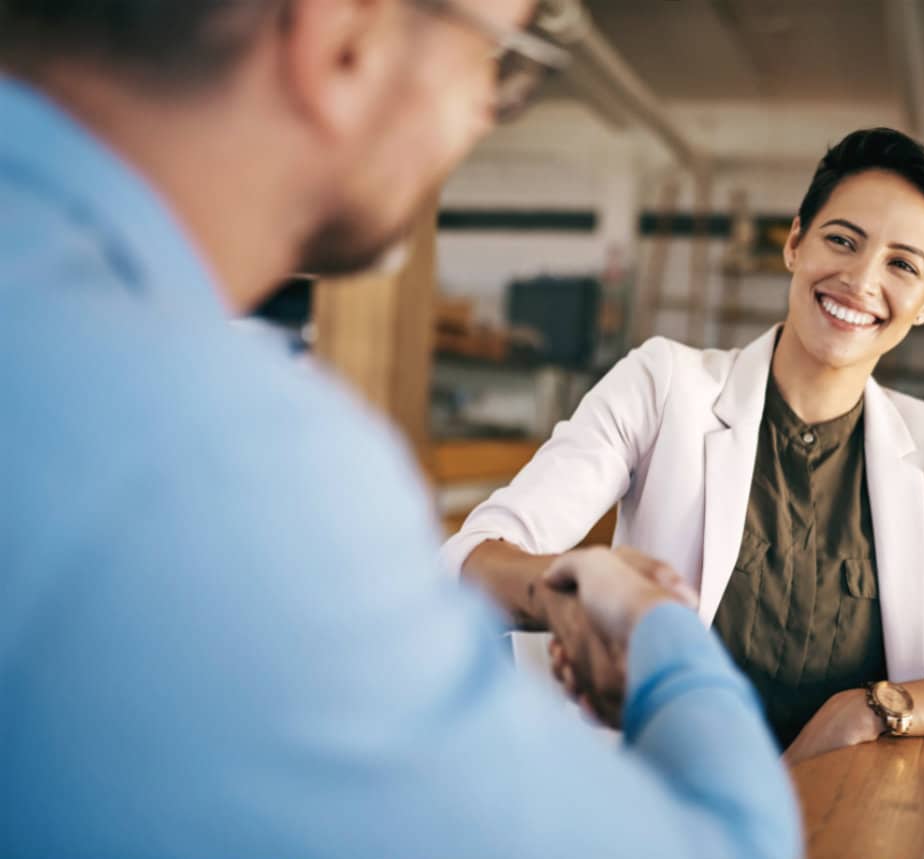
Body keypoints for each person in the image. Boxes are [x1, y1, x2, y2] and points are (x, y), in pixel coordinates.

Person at [0, 1, 800, 857]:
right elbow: (733, 844)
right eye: (500, 63)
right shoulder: (224, 463)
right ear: (342, 36)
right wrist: (658, 628)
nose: (483, 116)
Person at [445, 127, 924, 762]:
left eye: (902, 264)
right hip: (662, 792)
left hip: (850, 813)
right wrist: (570, 586)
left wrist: (877, 708)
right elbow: (470, 558)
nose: (861, 280)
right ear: (794, 241)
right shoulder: (665, 383)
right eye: (843, 239)